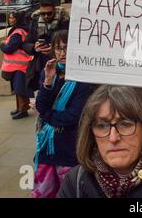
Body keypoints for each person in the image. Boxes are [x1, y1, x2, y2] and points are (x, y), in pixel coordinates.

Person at [32, 30, 95, 198]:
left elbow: (73, 116)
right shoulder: (50, 70)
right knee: (43, 192)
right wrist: (48, 81)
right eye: (58, 48)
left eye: (67, 48)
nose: (62, 53)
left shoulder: (83, 79)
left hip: (69, 148)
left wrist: (46, 115)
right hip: (47, 147)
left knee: (68, 192)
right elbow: (41, 104)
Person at [24, 0, 69, 92]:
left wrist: (54, 49)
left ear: (55, 10)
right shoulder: (35, 22)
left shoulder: (65, 22)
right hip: (40, 67)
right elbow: (26, 43)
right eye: (43, 13)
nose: (46, 16)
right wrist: (34, 47)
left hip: (61, 68)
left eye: (49, 13)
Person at [0, 12, 34, 120]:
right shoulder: (19, 29)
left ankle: (23, 110)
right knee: (17, 87)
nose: (10, 20)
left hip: (19, 65)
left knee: (20, 88)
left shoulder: (17, 33)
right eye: (9, 18)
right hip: (18, 65)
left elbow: (9, 48)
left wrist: (2, 45)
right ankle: (19, 107)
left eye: (12, 18)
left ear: (17, 19)